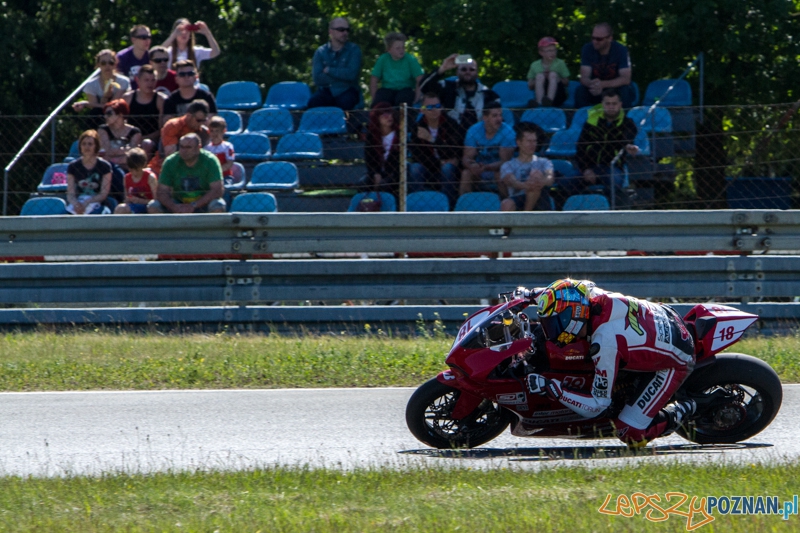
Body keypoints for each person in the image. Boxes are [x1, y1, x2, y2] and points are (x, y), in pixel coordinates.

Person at [527, 278, 699, 447]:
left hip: (677, 361)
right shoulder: (588, 294)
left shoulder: (605, 342)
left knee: (629, 432)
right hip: (665, 314)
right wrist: (529, 295)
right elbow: (565, 292)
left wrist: (556, 390)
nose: (551, 331)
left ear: (574, 315)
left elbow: (598, 404)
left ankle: (687, 407)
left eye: (556, 323)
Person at [573, 88, 639, 200]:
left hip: (612, 168)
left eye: (614, 103)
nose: (611, 107)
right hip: (590, 166)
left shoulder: (628, 123)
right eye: (608, 104)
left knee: (615, 181)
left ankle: (610, 208)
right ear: (602, 104)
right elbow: (581, 147)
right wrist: (585, 169)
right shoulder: (591, 122)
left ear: (620, 104)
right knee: (566, 182)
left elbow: (627, 138)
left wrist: (628, 146)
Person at [419, 54, 500, 135]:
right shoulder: (447, 87)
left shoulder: (489, 95)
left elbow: (498, 120)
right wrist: (442, 68)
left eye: (472, 69)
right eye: (463, 69)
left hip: (479, 137)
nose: (467, 72)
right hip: (449, 136)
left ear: (477, 73)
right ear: (457, 72)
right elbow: (424, 87)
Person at [149, 133, 226, 213]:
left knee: (218, 205)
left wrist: (194, 205)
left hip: (203, 204)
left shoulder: (210, 161)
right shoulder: (170, 162)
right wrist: (174, 206)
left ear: (198, 148)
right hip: (178, 204)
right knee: (153, 206)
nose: (184, 151)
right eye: (182, 147)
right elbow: (162, 191)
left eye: (188, 147)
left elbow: (217, 190)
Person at [409, 92, 462, 207]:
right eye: (429, 107)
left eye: (437, 106)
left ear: (442, 107)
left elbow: (453, 151)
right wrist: (439, 162)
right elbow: (417, 156)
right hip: (429, 167)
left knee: (448, 168)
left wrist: (431, 139)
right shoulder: (417, 128)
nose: (434, 110)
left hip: (449, 169)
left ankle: (448, 207)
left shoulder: (451, 124)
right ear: (422, 110)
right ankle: (417, 206)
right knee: (415, 168)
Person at [459, 101, 516, 197]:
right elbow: (467, 157)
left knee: (500, 174)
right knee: (466, 174)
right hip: (479, 169)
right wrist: (472, 166)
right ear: (485, 118)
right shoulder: (473, 131)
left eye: (500, 115)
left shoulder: (508, 132)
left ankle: (506, 203)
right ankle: (464, 204)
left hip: (498, 169)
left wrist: (486, 167)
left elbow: (505, 162)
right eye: (494, 116)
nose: (499, 119)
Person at [575, 23, 635, 109]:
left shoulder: (621, 50)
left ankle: (625, 116)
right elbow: (584, 77)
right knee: (580, 91)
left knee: (625, 91)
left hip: (614, 88)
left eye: (599, 39)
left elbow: (625, 79)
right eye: (593, 38)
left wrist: (602, 84)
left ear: (610, 38)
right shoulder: (587, 49)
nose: (595, 41)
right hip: (594, 88)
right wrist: (592, 85)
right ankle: (581, 116)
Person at [308, 17, 362, 111]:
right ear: (331, 31)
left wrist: (329, 70)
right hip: (326, 91)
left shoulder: (354, 50)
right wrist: (342, 76)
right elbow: (317, 78)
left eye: (347, 30)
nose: (345, 33)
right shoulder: (320, 52)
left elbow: (351, 74)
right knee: (313, 103)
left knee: (345, 103)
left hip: (347, 90)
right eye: (341, 30)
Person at [500, 122, 554, 211]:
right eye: (529, 141)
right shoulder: (508, 165)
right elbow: (510, 180)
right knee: (506, 203)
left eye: (534, 141)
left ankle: (526, 215)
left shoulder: (544, 162)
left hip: (540, 199)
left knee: (536, 175)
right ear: (519, 142)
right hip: (518, 198)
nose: (532, 144)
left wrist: (540, 182)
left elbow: (550, 177)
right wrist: (526, 185)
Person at [148, 99, 210, 176]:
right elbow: (171, 157)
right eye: (198, 120)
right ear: (189, 116)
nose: (201, 124)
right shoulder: (173, 126)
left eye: (203, 121)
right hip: (164, 169)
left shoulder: (204, 132)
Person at [66, 130, 115, 215]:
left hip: (97, 202)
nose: (86, 147)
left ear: (96, 146)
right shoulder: (73, 166)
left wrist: (88, 202)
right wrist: (76, 204)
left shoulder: (105, 166)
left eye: (90, 144)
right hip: (79, 202)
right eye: (84, 144)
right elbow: (70, 194)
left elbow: (103, 194)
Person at [369, 32, 423, 107]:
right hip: (387, 90)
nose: (401, 50)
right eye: (398, 48)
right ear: (389, 49)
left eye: (403, 47)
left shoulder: (410, 59)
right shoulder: (383, 59)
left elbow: (420, 79)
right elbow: (374, 79)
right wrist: (374, 99)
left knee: (403, 101)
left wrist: (416, 99)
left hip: (405, 89)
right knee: (381, 102)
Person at [123, 64, 166, 154]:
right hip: (129, 138)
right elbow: (121, 122)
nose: (150, 83)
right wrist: (134, 138)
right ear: (138, 80)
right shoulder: (128, 98)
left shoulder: (161, 100)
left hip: (152, 140)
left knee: (146, 144)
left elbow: (162, 129)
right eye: (146, 80)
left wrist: (142, 138)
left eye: (153, 80)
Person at [72, 50, 130, 116]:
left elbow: (113, 106)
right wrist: (104, 97)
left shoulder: (123, 81)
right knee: (95, 112)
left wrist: (85, 104)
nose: (107, 66)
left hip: (119, 115)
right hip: (100, 116)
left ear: (115, 64)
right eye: (103, 63)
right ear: (98, 65)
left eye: (111, 62)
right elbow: (94, 106)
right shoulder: (91, 84)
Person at [161, 59, 217, 124]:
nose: (186, 77)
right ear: (176, 79)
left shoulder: (206, 97)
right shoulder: (171, 100)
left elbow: (211, 121)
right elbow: (168, 123)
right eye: (182, 74)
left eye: (190, 74)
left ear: (196, 77)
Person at [363, 102, 401, 196]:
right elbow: (369, 159)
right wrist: (375, 173)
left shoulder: (399, 134)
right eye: (385, 114)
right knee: (363, 184)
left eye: (390, 113)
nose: (389, 117)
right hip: (378, 172)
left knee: (385, 185)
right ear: (377, 118)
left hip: (396, 173)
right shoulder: (371, 137)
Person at [97, 99, 142, 169]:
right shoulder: (103, 129)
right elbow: (106, 151)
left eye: (109, 113)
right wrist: (127, 150)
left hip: (128, 167)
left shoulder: (135, 132)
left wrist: (113, 159)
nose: (105, 117)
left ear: (120, 114)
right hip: (107, 167)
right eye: (105, 114)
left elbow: (133, 155)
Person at [527, 37, 570, 108]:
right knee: (539, 76)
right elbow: (530, 86)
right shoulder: (534, 65)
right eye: (549, 51)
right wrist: (541, 77)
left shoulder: (560, 63)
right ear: (541, 52)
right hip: (543, 92)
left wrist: (557, 78)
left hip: (558, 94)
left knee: (553, 74)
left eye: (554, 50)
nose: (553, 53)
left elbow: (567, 83)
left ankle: (549, 101)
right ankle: (540, 103)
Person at [114, 148, 158, 214]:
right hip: (134, 206)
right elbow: (126, 198)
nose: (134, 173)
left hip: (148, 206)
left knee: (153, 207)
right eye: (131, 170)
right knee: (120, 208)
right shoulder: (126, 178)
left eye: (137, 170)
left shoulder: (150, 177)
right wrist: (128, 200)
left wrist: (140, 201)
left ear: (143, 165)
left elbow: (156, 200)